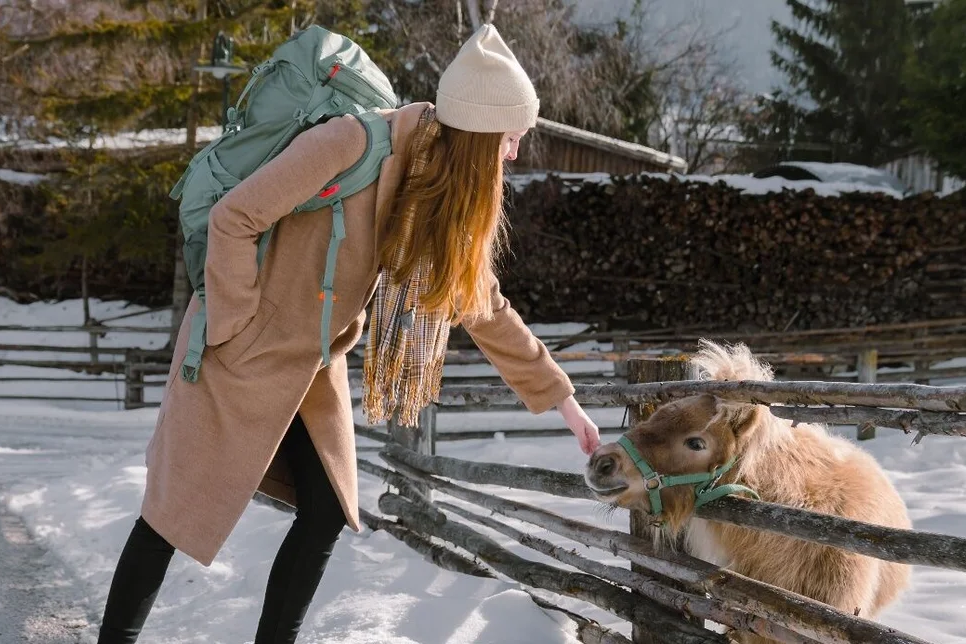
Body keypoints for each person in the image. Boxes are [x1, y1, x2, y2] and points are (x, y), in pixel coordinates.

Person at [97, 24, 600, 644]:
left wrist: (561, 399)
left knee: (328, 511)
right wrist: (232, 325)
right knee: (170, 514)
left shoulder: (433, 185)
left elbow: (479, 300)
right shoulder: (353, 141)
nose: (516, 154)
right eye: (512, 139)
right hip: (240, 351)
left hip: (313, 365)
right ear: (480, 135)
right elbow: (235, 217)